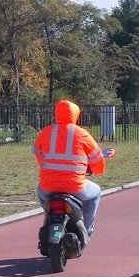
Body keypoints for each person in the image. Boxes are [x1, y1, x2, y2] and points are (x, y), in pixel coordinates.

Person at [33, 99, 107, 237]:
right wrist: (98, 171)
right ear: (75, 114)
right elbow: (97, 158)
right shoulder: (82, 134)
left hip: (48, 186)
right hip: (75, 186)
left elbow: (38, 155)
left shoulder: (46, 132)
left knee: (40, 191)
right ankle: (87, 228)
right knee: (95, 194)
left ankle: (49, 218)